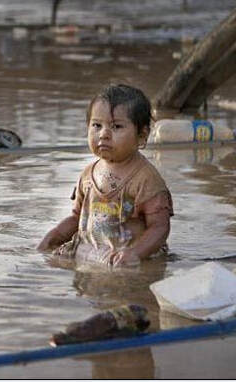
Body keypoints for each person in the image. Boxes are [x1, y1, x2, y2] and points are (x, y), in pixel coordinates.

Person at [37, 84, 173, 267]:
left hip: (129, 258)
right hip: (92, 253)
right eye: (96, 125)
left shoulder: (146, 179)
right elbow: (77, 218)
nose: (104, 134)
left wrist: (135, 253)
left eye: (116, 126)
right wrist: (54, 235)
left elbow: (160, 227)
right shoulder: (87, 175)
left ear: (141, 136)